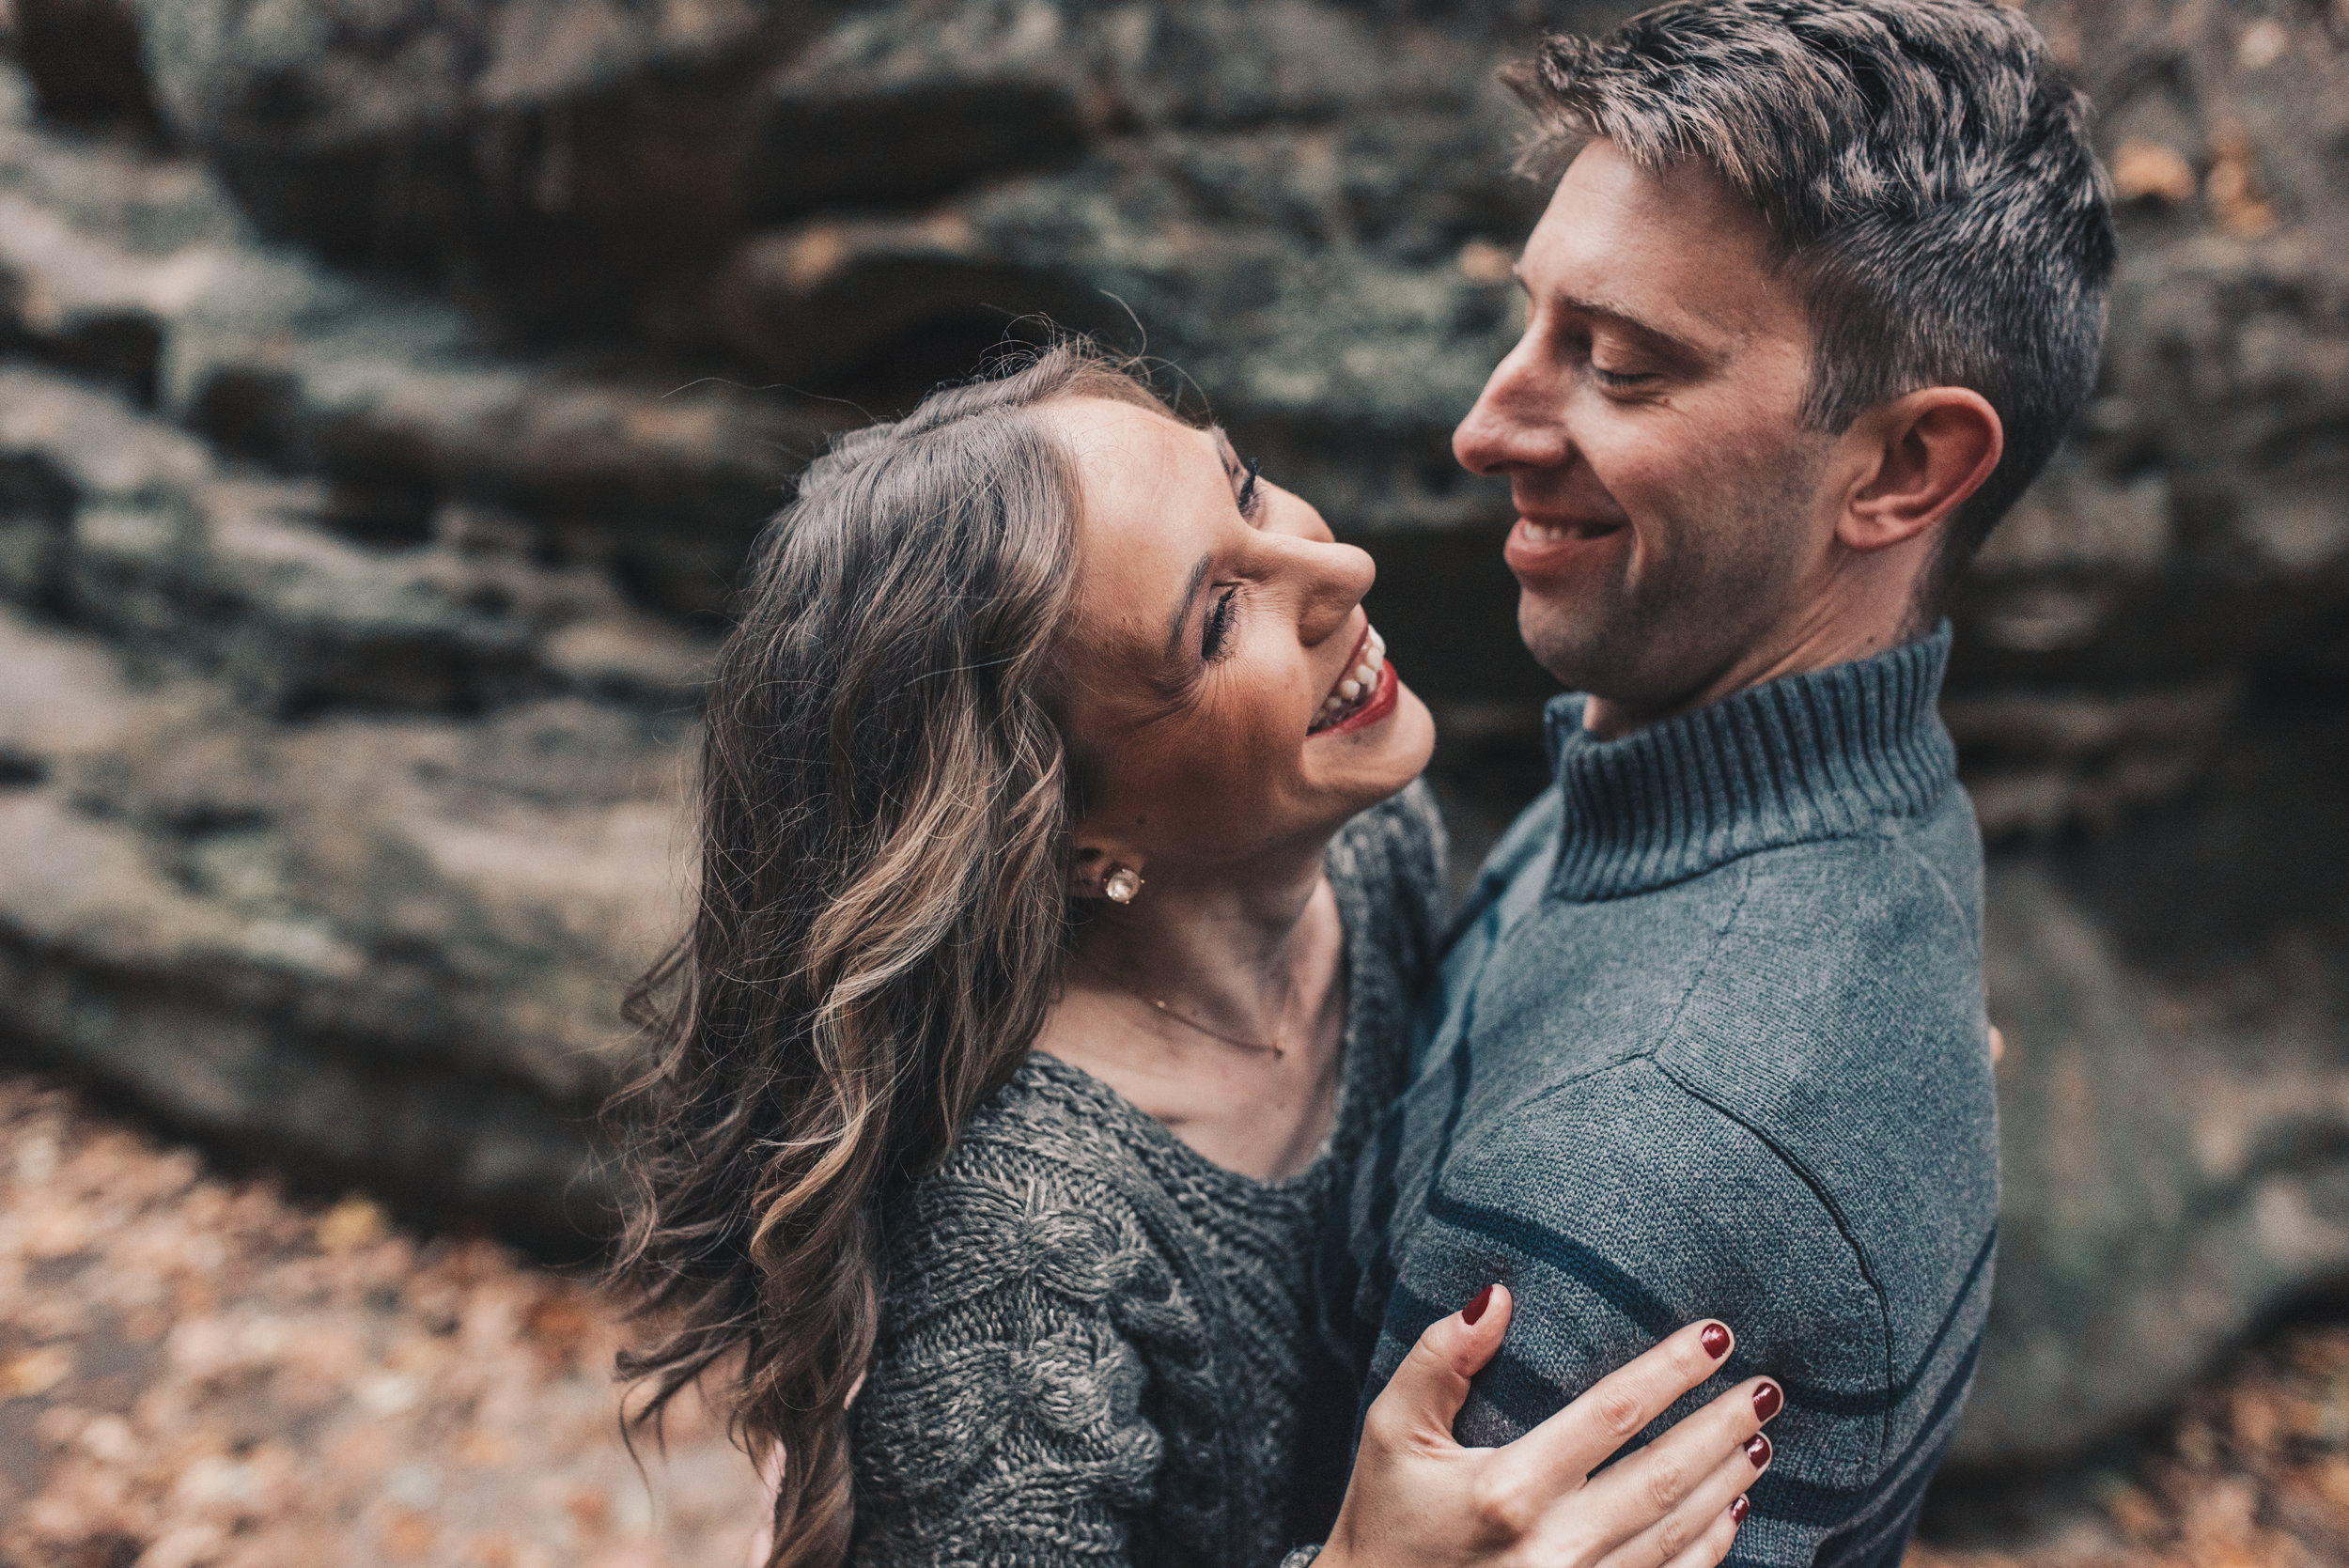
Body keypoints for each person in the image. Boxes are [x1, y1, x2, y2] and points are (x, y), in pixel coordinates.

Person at [608, 344, 1783, 1568]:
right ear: (1068, 830)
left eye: (1251, 487)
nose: (1341, 568)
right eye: (1218, 617)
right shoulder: (1028, 1248)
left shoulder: (1374, 849)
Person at [1320, 3, 2115, 1566]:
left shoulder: (1636, 1149)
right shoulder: (1737, 781)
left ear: (1902, 469)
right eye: (1534, 319)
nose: (1486, 425)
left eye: (1617, 364)